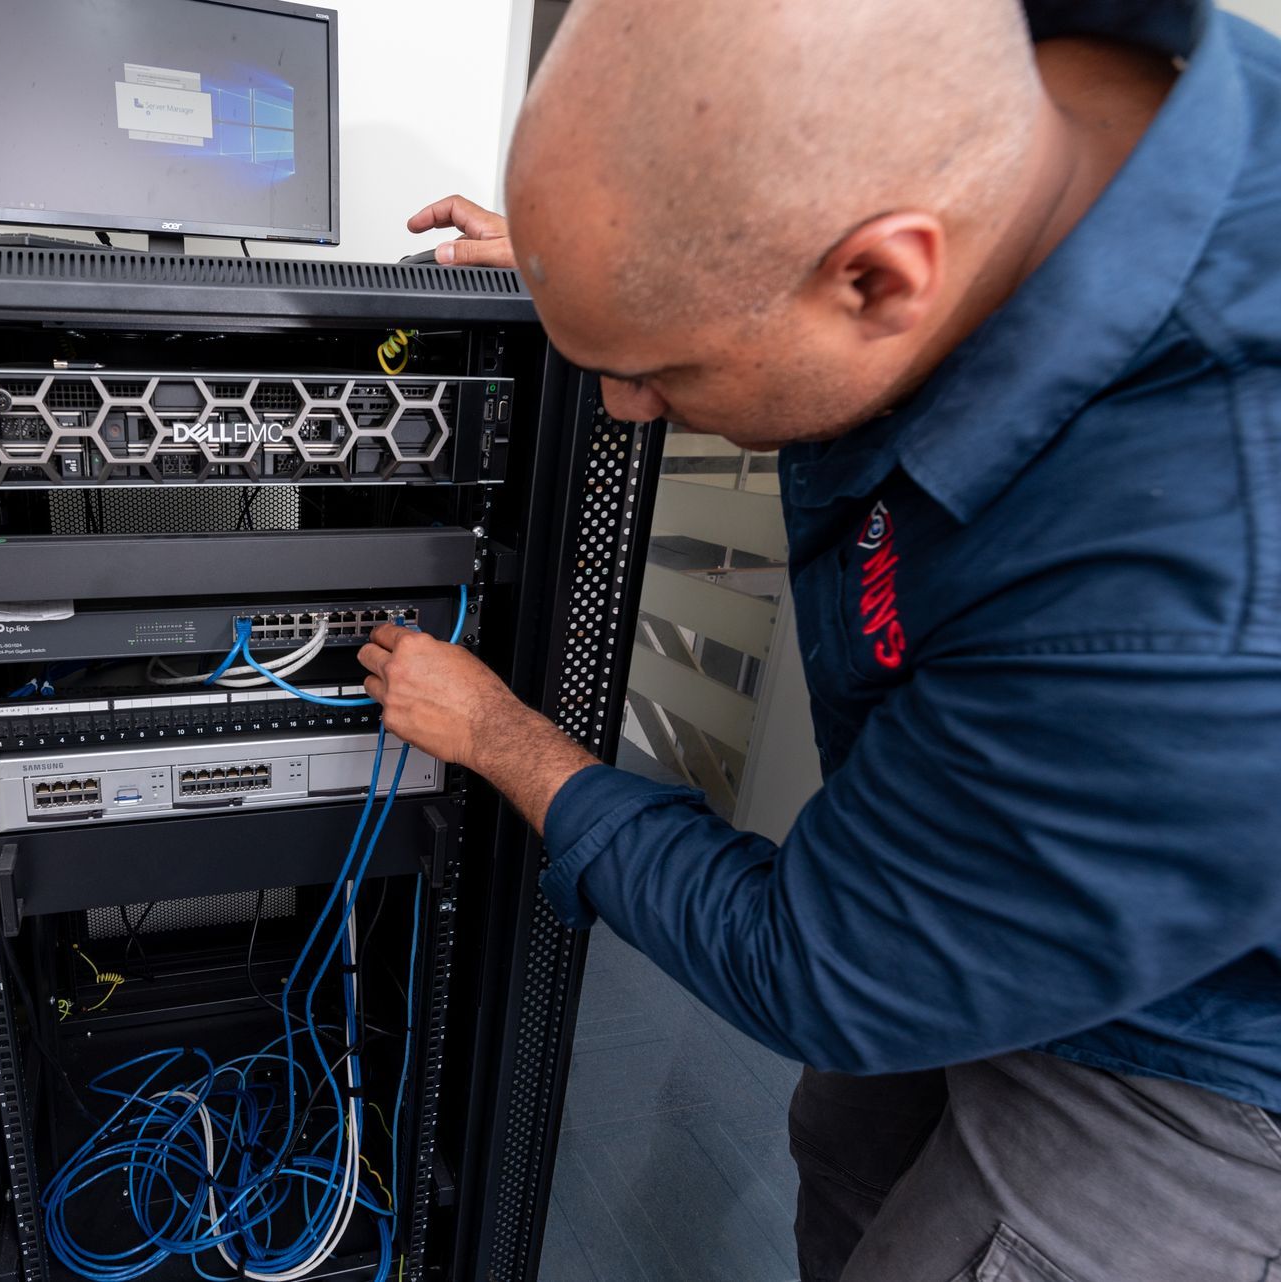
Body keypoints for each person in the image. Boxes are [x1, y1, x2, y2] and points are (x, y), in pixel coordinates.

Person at [363, 1, 1281, 1278]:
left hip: (1203, 1055)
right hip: (1031, 816)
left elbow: (814, 964)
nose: (623, 409)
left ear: (878, 278)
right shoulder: (1020, 97)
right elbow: (764, 242)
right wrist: (624, 277)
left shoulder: (1190, 596)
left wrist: (505, 738)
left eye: (658, 371)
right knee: (844, 1135)